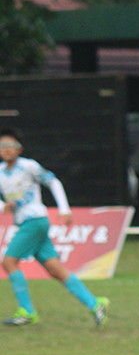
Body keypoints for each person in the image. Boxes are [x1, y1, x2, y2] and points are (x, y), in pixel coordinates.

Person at [0, 128, 108, 328]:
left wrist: (64, 209)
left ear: (19, 149)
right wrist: (3, 206)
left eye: (10, 146)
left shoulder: (28, 166)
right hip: (26, 223)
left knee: (8, 262)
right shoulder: (0, 173)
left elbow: (53, 182)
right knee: (54, 269)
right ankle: (95, 303)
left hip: (35, 221)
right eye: (2, 146)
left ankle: (27, 311)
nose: (6, 150)